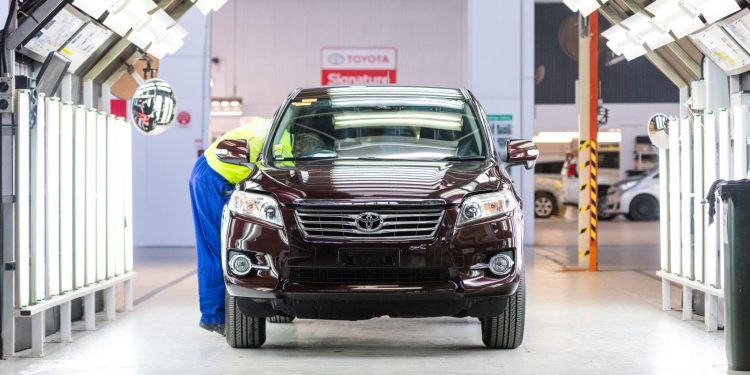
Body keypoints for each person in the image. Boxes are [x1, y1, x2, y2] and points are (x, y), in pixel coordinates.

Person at [188, 116, 284, 334]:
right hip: (214, 177)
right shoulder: (279, 141)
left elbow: (246, 119)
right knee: (217, 247)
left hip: (221, 176)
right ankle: (214, 316)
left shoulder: (272, 123)